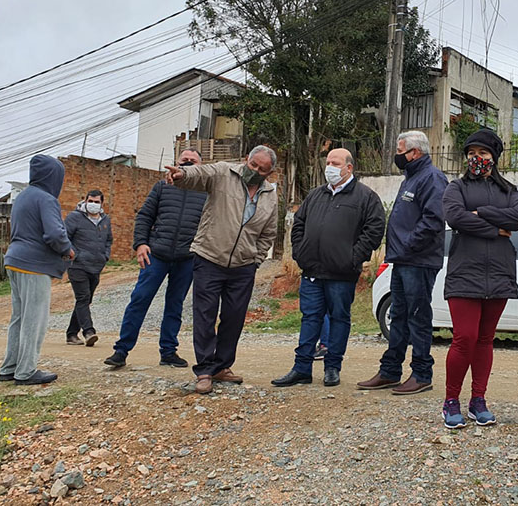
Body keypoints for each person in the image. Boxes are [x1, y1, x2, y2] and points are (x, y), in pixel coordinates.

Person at [164, 146, 279, 395]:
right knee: (205, 315)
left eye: (262, 170)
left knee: (234, 318)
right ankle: (204, 370)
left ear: (270, 173)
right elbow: (199, 175)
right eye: (253, 165)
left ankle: (222, 366)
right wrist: (181, 175)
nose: (256, 171)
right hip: (209, 258)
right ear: (245, 160)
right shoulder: (223, 172)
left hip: (243, 266)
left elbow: (269, 232)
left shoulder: (270, 194)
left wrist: (255, 259)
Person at [272, 149, 385, 388]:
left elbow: (374, 230)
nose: (330, 167)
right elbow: (299, 224)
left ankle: (333, 367)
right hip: (312, 271)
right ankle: (301, 368)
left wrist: (353, 258)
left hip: (342, 274)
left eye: (335, 163)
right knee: (310, 318)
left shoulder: (366, 197)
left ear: (349, 168)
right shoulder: (315, 195)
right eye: (328, 162)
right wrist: (300, 253)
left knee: (339, 319)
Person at [440, 129, 518, 429]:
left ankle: (479, 400)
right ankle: (451, 401)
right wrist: (495, 228)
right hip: (465, 273)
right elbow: (455, 217)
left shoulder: (509, 190)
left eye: (483, 154)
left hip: (499, 273)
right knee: (465, 337)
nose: (477, 159)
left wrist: (482, 212)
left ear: (494, 158)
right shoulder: (456, 188)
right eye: (472, 153)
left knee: (486, 339)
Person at [357, 131, 447, 395]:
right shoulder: (410, 178)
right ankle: (390, 371)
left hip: (418, 261)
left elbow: (433, 220)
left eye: (400, 151)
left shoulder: (432, 178)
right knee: (398, 316)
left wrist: (407, 246)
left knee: (417, 317)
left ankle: (421, 374)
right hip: (402, 260)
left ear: (414, 153)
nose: (396, 156)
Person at [103, 148, 207, 369]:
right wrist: (141, 244)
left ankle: (168, 352)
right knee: (140, 299)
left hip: (187, 258)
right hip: (156, 255)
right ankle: (121, 351)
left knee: (175, 305)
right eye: (184, 160)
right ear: (176, 163)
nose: (188, 163)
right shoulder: (163, 186)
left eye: (192, 160)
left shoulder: (206, 192)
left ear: (201, 166)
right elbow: (144, 216)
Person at [0, 155, 74, 385]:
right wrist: (67, 249)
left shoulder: (23, 196)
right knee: (35, 319)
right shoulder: (46, 199)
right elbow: (54, 233)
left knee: (19, 318)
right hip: (34, 265)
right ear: (54, 177)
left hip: (14, 260)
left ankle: (9, 368)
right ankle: (26, 371)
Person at [64, 189, 113, 347]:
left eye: (96, 202)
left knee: (85, 300)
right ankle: (89, 332)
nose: (93, 204)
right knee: (83, 297)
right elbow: (65, 237)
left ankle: (71, 334)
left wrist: (105, 256)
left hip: (96, 266)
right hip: (77, 265)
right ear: (85, 201)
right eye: (90, 201)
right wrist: (74, 254)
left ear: (101, 204)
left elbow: (108, 241)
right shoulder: (74, 217)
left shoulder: (105, 220)